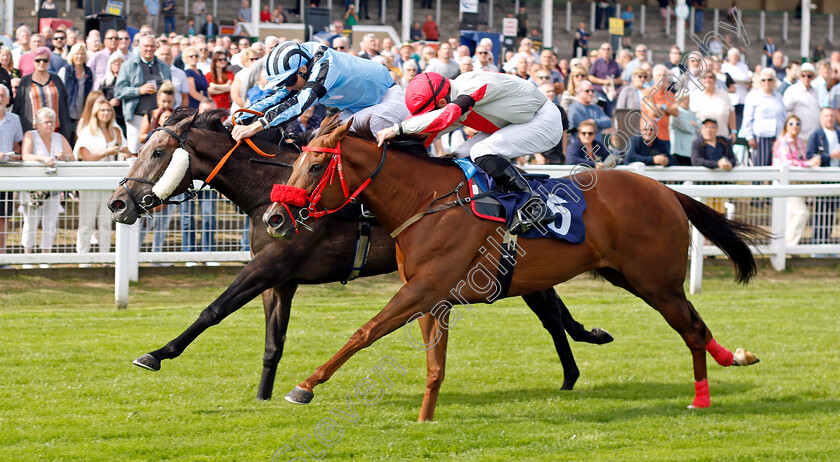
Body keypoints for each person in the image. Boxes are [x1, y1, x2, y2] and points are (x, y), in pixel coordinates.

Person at [375, 71, 564, 234]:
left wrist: (398, 128)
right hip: (513, 123)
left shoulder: (471, 88)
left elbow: (445, 116)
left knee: (481, 150)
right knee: (457, 156)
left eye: (428, 112)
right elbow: (427, 135)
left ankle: (535, 205)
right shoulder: (452, 98)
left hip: (543, 120)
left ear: (442, 102)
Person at [232, 41, 409, 141]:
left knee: (324, 140)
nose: (289, 88)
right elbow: (277, 96)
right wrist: (235, 120)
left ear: (302, 69)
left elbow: (298, 104)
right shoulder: (301, 63)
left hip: (388, 101)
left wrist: (255, 127)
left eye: (290, 81)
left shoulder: (325, 65)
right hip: (361, 107)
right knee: (315, 138)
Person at [74, 98, 128, 256]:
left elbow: (125, 150)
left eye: (109, 110)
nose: (106, 113)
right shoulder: (87, 132)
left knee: (106, 222)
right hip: (90, 181)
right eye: (102, 110)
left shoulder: (116, 131)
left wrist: (123, 151)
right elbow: (85, 156)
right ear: (96, 113)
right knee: (86, 222)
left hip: (111, 182)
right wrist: (106, 152)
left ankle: (105, 257)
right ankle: (82, 257)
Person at [20, 107, 74, 259]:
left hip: (54, 188)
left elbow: (72, 156)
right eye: (46, 122)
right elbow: (26, 156)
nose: (50, 125)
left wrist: (64, 157)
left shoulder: (59, 137)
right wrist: (43, 159)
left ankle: (45, 257)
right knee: (30, 224)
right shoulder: (30, 135)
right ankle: (27, 258)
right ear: (37, 123)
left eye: (52, 122)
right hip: (33, 188)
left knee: (50, 225)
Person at [114, 34, 171, 153]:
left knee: (159, 154)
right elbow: (118, 91)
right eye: (146, 46)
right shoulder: (128, 66)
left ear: (156, 47)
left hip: (159, 119)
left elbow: (170, 90)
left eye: (152, 46)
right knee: (135, 153)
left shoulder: (163, 66)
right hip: (136, 117)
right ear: (139, 47)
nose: (149, 49)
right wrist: (139, 90)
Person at [772, 115, 820, 246]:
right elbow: (787, 162)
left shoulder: (800, 142)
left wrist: (811, 162)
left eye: (798, 124)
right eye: (791, 123)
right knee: (802, 213)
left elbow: (802, 161)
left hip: (795, 182)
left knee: (791, 216)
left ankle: (785, 248)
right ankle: (789, 246)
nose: (795, 126)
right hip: (783, 182)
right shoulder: (782, 142)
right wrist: (808, 164)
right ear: (786, 126)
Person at [13, 47, 72, 140]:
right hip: (32, 129)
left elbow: (65, 103)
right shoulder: (25, 81)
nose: (41, 63)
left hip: (55, 129)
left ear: (49, 61)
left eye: (45, 60)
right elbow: (18, 106)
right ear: (33, 61)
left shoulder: (56, 79)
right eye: (38, 60)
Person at [806, 108, 840, 246]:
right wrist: (829, 156)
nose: (829, 118)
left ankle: (826, 244)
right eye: (826, 116)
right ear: (821, 118)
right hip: (822, 179)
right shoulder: (816, 135)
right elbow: (810, 155)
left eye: (831, 115)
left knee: (831, 214)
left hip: (836, 178)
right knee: (820, 213)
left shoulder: (838, 133)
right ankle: (817, 245)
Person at [739, 68, 786, 167]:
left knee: (776, 164)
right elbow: (747, 117)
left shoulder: (778, 97)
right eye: (764, 80)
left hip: (777, 136)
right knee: (760, 164)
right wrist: (749, 136)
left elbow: (783, 116)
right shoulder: (753, 96)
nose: (767, 82)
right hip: (761, 136)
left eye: (770, 80)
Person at [0, 85, 23, 262]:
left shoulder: (14, 119)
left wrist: (15, 157)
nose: (0, 98)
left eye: (2, 96)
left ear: (8, 99)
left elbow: (17, 147)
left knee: (3, 218)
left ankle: (2, 257)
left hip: (6, 175)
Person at [58, 43, 93, 140]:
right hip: (68, 113)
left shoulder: (89, 72)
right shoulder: (65, 71)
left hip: (84, 113)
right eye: (77, 54)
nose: (80, 56)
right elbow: (60, 93)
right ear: (72, 55)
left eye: (82, 54)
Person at [690, 71, 736, 141]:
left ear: (715, 80)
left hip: (722, 136)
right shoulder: (695, 95)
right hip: (702, 138)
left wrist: (733, 131)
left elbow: (731, 113)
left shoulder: (723, 94)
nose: (707, 80)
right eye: (704, 78)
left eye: (710, 77)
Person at [783, 62, 821, 142]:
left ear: (813, 77)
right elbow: (785, 111)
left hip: (814, 135)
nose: (806, 78)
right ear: (799, 76)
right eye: (803, 75)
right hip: (799, 135)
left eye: (809, 76)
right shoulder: (792, 90)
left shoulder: (816, 91)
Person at [588, 43, 622, 117]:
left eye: (608, 49)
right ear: (600, 51)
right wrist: (604, 82)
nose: (606, 51)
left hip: (611, 94)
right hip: (599, 92)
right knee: (599, 114)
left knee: (611, 114)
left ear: (611, 51)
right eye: (604, 49)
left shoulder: (614, 63)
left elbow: (620, 78)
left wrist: (612, 81)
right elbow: (590, 77)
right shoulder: (597, 62)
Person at [97, 52, 126, 130]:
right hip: (110, 118)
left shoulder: (128, 81)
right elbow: (99, 101)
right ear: (110, 65)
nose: (117, 64)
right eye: (114, 62)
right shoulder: (105, 82)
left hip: (125, 117)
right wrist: (109, 103)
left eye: (120, 62)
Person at [669, 93, 700, 165]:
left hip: (691, 150)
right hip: (679, 150)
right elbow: (684, 126)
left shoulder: (692, 113)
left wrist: (695, 124)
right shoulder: (676, 112)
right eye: (684, 99)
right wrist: (694, 126)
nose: (686, 101)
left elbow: (700, 124)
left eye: (688, 99)